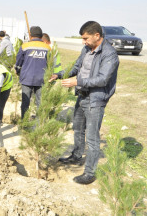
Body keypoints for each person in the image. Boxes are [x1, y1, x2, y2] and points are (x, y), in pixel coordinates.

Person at [56, 21, 119, 185]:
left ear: (97, 35)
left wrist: (77, 82)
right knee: (77, 128)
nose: (83, 42)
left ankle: (90, 173)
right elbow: (76, 67)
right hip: (82, 96)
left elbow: (103, 79)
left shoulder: (109, 54)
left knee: (92, 138)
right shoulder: (86, 50)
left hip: (95, 100)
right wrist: (58, 75)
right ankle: (76, 156)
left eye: (85, 38)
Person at [14, 26, 61, 119]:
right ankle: (39, 123)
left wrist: (18, 71)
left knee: (25, 102)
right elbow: (50, 64)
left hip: (26, 78)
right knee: (40, 102)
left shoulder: (24, 46)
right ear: (41, 35)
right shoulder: (47, 48)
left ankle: (24, 122)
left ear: (30, 35)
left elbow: (19, 62)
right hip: (41, 79)